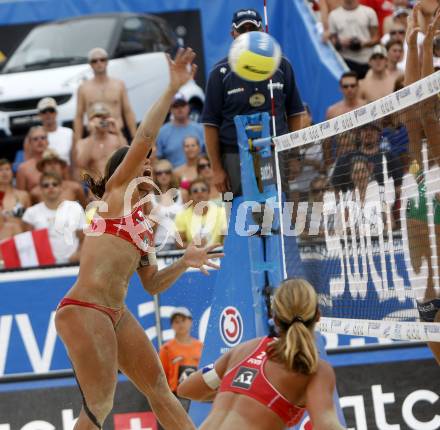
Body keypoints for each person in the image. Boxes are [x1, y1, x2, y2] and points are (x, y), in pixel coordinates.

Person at [54, 48, 223, 430]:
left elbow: (151, 285)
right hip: (84, 307)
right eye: (141, 164)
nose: (149, 167)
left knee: (159, 388)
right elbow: (146, 134)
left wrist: (185, 261)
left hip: (114, 313)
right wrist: (173, 87)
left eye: (149, 166)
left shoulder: (145, 230)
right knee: (100, 403)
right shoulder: (115, 195)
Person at [177, 279, 344, 430]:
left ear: (275, 318)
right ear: (318, 316)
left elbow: (187, 389)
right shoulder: (313, 369)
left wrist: (238, 388)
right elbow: (326, 426)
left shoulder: (245, 350)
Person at [202, 8, 305, 197]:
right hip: (234, 156)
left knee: (278, 214)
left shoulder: (281, 65)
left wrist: (294, 155)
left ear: (263, 32)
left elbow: (296, 113)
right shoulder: (219, 73)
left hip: (275, 151)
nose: (248, 34)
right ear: (233, 34)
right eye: (243, 30)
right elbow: (210, 125)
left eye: (253, 29)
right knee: (240, 218)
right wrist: (216, 169)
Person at [403, 3, 440, 364]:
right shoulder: (417, 168)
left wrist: (423, 47)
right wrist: (414, 44)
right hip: (428, 298)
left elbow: (425, 111)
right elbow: (413, 107)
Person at [73, 47, 137, 142]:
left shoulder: (119, 85)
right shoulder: (83, 88)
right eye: (95, 61)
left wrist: (135, 136)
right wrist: (77, 142)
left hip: (117, 135)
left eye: (102, 60)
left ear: (107, 62)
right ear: (90, 64)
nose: (99, 63)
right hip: (94, 137)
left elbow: (127, 111)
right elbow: (79, 116)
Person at [22, 172, 85, 264]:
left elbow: (83, 238)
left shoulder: (75, 208)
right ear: (40, 189)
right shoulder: (30, 213)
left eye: (54, 184)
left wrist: (78, 254)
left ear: (61, 188)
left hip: (72, 262)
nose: (50, 187)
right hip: (43, 265)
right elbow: (27, 243)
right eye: (46, 185)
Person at [159, 307, 203, 411]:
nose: (180, 324)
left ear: (190, 322)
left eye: (183, 320)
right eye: (176, 321)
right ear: (172, 325)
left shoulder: (201, 347)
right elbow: (161, 375)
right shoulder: (166, 349)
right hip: (177, 398)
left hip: (199, 397)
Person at [329, 0, 380, 79]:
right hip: (345, 61)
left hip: (367, 60)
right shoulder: (333, 15)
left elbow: (376, 38)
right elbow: (332, 43)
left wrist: (363, 44)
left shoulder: (369, 12)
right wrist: (341, 43)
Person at [325, 71, 366, 168]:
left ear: (358, 86)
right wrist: (329, 165)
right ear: (340, 88)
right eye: (346, 86)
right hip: (342, 161)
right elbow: (327, 142)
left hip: (366, 158)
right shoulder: (332, 111)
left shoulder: (366, 106)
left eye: (352, 85)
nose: (349, 89)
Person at [75, 103, 127, 178]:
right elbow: (81, 164)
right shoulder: (83, 143)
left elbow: (128, 157)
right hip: (96, 185)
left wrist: (118, 130)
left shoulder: (117, 139)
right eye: (98, 116)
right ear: (90, 121)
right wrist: (93, 134)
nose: (103, 120)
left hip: (116, 182)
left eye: (106, 117)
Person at [175, 178, 227, 248]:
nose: (200, 193)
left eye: (203, 190)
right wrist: (194, 246)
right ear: (190, 196)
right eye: (195, 191)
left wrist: (213, 248)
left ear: (209, 194)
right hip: (193, 257)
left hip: (217, 255)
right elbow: (179, 244)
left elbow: (226, 240)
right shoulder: (181, 216)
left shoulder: (222, 213)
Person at [156, 93, 205, 168]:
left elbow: (208, 154)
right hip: (174, 177)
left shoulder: (200, 129)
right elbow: (158, 159)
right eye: (176, 106)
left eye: (182, 105)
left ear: (188, 107)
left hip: (199, 174)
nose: (180, 109)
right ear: (170, 109)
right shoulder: (162, 132)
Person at [151, 159, 184, 251]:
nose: (163, 175)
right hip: (158, 243)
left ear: (171, 174)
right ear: (155, 175)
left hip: (179, 243)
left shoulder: (182, 194)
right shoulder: (150, 197)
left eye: (167, 172)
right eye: (159, 173)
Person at [37, 97, 74, 165]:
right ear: (39, 115)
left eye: (51, 110)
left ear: (56, 113)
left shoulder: (69, 133)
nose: (48, 114)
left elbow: (74, 160)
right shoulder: (35, 135)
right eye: (44, 111)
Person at [16, 126, 49, 192]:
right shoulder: (23, 168)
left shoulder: (58, 164)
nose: (40, 141)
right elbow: (22, 197)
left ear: (47, 141)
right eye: (35, 139)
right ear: (30, 143)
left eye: (43, 138)